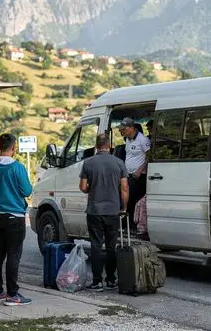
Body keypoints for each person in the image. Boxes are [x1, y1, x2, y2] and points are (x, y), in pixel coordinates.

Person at [0, 133, 33, 306]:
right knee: (13, 254)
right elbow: (26, 191)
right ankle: (12, 294)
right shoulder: (17, 167)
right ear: (13, 148)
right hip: (14, 216)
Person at [79, 133, 129, 291]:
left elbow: (83, 187)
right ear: (109, 146)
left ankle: (97, 281)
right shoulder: (119, 163)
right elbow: (124, 188)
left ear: (96, 146)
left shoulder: (88, 163)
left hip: (94, 210)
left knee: (96, 245)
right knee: (111, 245)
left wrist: (91, 188)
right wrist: (124, 208)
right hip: (113, 210)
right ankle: (111, 280)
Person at [118, 118, 151, 226]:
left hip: (138, 176)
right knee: (126, 199)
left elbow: (150, 157)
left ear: (132, 128)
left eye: (123, 129)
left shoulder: (143, 140)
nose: (121, 131)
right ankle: (128, 225)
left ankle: (132, 225)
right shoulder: (128, 139)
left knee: (131, 200)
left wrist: (140, 170)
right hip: (128, 175)